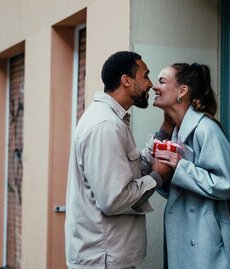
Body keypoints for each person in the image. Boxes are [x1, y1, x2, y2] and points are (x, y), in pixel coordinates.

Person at [65, 51, 173, 269]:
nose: (151, 85)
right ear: (126, 80)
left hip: (106, 256)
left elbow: (129, 172)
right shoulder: (106, 125)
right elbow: (113, 199)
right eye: (145, 76)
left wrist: (164, 131)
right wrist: (158, 177)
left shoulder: (111, 120)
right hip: (103, 259)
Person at [152, 63, 230, 269]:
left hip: (207, 244)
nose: (154, 87)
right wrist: (163, 175)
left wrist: (180, 166)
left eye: (162, 81)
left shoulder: (206, 129)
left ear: (182, 91)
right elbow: (178, 193)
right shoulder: (175, 132)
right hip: (188, 237)